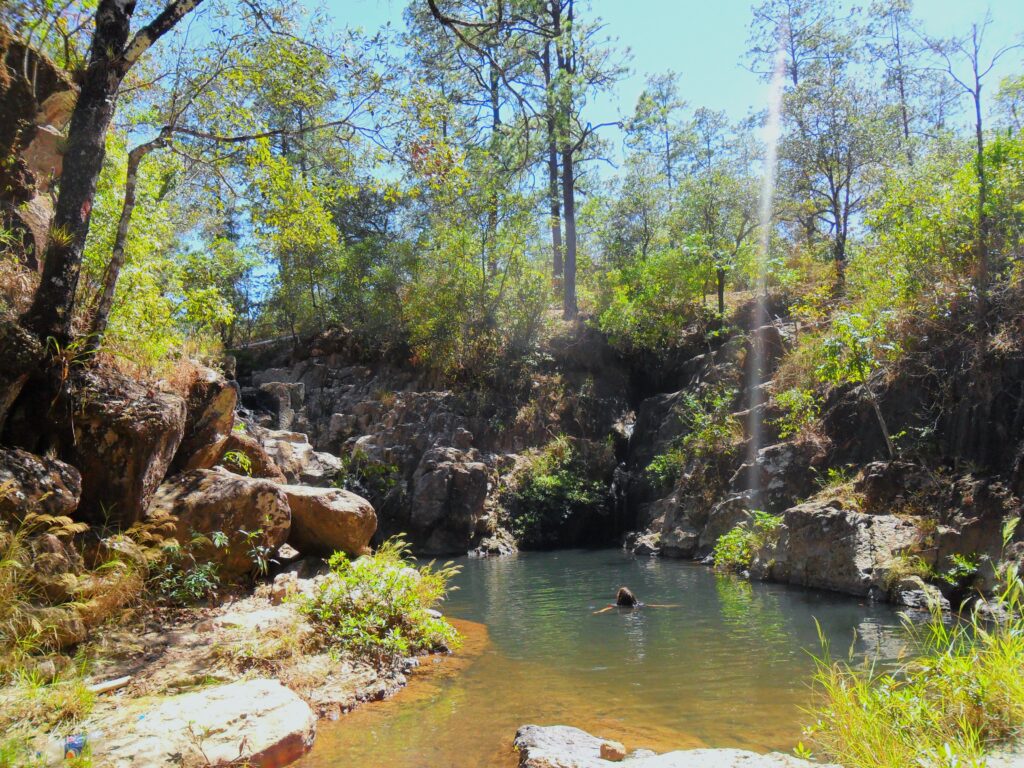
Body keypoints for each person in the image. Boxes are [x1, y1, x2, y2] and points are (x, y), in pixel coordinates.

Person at [593, 586, 677, 614]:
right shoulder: (637, 604)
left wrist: (599, 612)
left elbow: (608, 608)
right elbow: (652, 605)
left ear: (620, 598)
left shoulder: (618, 606)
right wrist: (668, 606)